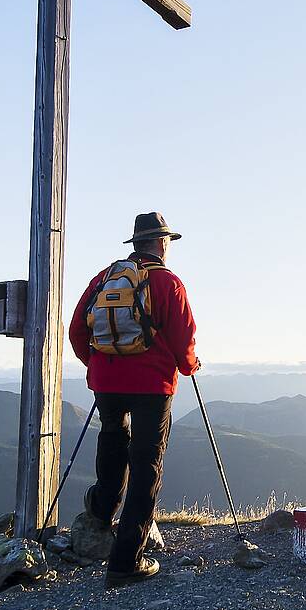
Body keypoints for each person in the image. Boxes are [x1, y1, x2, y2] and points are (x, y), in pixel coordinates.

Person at [67, 212, 199, 589]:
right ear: (161, 243)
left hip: (106, 379)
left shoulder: (105, 278)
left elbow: (79, 327)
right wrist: (189, 366)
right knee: (146, 464)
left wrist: (97, 363)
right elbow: (183, 338)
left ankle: (102, 506)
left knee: (111, 437)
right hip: (152, 385)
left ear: (136, 243)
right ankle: (126, 560)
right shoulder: (168, 283)